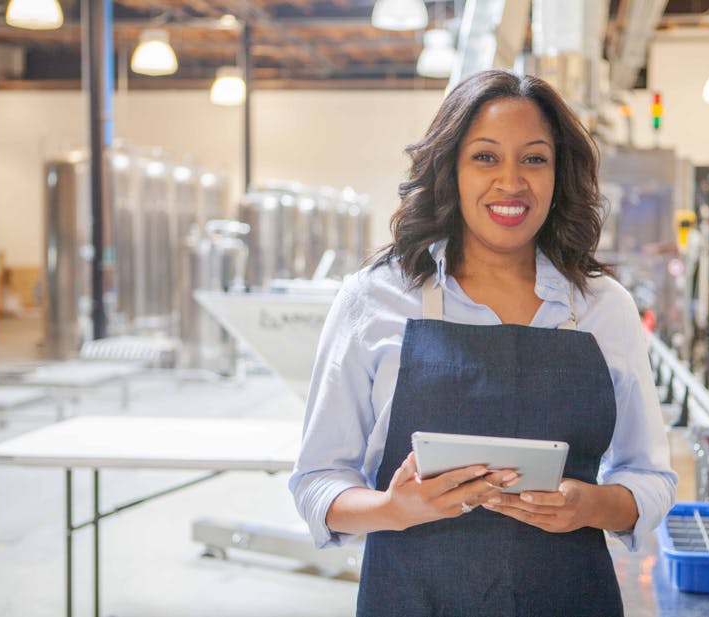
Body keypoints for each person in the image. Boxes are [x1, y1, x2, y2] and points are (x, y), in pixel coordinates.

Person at [289, 69, 677, 616]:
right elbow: (316, 482)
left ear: (559, 174)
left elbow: (649, 477)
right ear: (450, 170)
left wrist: (592, 505)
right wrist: (393, 508)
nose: (512, 182)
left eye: (535, 159)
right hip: (412, 600)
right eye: (486, 157)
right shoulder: (374, 299)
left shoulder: (601, 306)